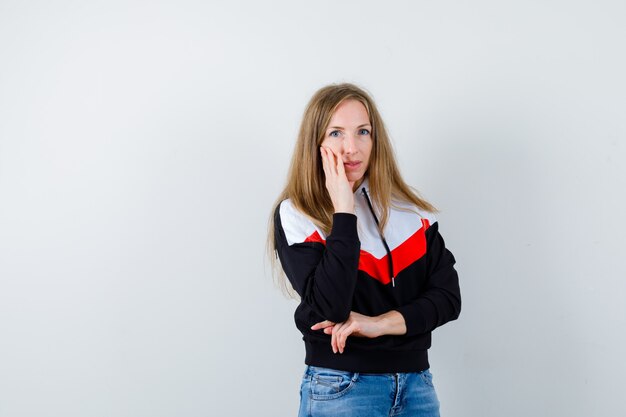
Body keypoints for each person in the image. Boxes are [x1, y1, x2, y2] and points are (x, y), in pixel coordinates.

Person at [268, 83, 461, 417]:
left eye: (363, 132)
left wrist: (380, 323)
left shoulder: (413, 214)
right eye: (336, 133)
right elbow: (331, 306)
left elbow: (448, 299)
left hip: (417, 387)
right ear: (315, 143)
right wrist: (344, 211)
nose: (351, 148)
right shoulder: (297, 214)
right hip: (342, 386)